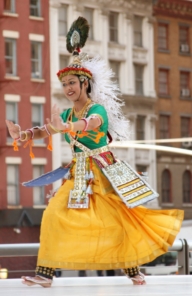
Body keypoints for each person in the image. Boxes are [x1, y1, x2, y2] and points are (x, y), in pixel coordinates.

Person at [6, 17, 183, 288]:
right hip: (77, 173)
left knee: (116, 221)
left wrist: (69, 126)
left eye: (72, 83)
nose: (68, 89)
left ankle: (132, 268)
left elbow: (91, 125)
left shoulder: (95, 109)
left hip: (102, 171)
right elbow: (48, 129)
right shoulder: (66, 112)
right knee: (54, 214)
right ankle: (45, 273)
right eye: (65, 85)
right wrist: (25, 134)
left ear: (85, 84)